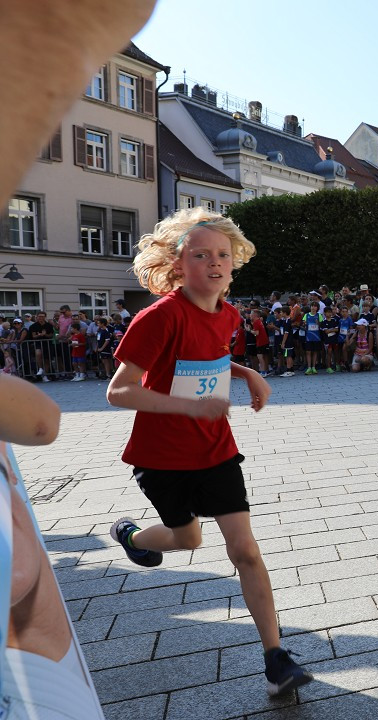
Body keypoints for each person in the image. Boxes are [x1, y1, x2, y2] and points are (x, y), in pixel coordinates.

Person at [104, 208, 312, 696]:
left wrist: (246, 373)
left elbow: (208, 358)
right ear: (179, 264)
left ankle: (275, 656)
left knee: (245, 550)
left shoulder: (230, 314)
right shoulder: (158, 317)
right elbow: (118, 391)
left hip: (216, 450)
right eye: (201, 255)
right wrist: (186, 407)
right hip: (161, 457)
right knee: (188, 541)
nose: (215, 263)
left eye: (223, 254)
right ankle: (133, 539)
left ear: (234, 262)